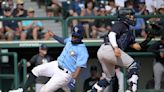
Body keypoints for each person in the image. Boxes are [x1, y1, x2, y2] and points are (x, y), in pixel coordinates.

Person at [90, 8, 153, 92]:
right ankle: (131, 89)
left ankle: (93, 90)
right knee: (134, 65)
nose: (132, 17)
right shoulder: (121, 24)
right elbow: (112, 34)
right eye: (130, 15)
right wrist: (115, 47)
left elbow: (137, 47)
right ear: (124, 16)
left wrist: (148, 39)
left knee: (109, 78)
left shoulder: (128, 31)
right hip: (110, 49)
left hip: (103, 51)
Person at [11, 24, 89, 92]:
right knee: (35, 70)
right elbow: (63, 41)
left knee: (43, 90)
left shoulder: (83, 50)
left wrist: (73, 79)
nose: (73, 38)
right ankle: (22, 90)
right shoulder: (70, 40)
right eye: (73, 35)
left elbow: (79, 67)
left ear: (80, 37)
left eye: (76, 37)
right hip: (56, 64)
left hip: (64, 74)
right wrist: (53, 35)